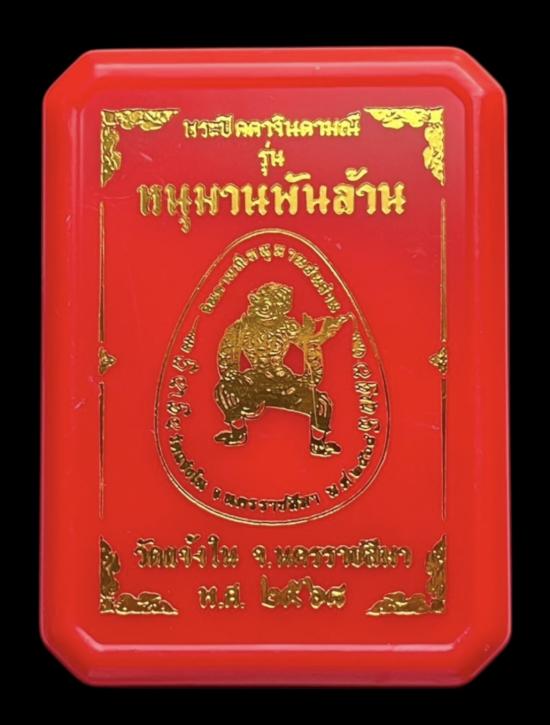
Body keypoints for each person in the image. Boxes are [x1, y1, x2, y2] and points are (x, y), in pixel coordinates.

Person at [213, 282, 349, 457]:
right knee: (224, 389)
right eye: (259, 303)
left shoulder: (287, 326)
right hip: (252, 383)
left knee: (321, 402)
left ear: (280, 309)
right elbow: (227, 354)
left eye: (268, 304)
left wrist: (311, 378)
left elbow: (309, 348)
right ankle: (237, 432)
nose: (261, 308)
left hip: (283, 383)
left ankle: (318, 444)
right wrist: (232, 374)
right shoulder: (241, 328)